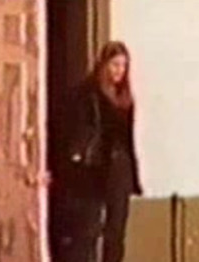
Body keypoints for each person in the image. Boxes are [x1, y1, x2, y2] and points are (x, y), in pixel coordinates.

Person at [49, 41, 144, 262]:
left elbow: (127, 138)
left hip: (120, 167)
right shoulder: (88, 94)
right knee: (88, 227)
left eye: (123, 66)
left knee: (116, 229)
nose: (119, 71)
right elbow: (80, 131)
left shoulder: (125, 98)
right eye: (114, 65)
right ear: (103, 65)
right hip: (95, 167)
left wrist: (133, 174)